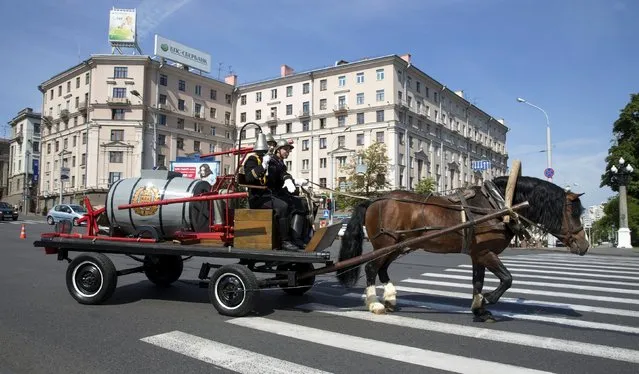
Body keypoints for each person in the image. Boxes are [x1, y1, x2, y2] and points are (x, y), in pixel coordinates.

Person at [242, 135, 302, 251]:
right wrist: (262, 166)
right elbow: (249, 178)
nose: (271, 147)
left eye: (273, 145)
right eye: (269, 144)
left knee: (299, 203)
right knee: (283, 207)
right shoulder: (253, 159)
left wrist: (291, 180)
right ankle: (284, 241)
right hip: (258, 198)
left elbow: (281, 173)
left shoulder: (273, 161)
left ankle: (297, 237)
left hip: (270, 196)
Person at [266, 139, 310, 248]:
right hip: (271, 194)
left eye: (288, 150)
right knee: (286, 206)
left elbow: (284, 174)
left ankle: (298, 237)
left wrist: (294, 181)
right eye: (285, 149)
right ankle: (286, 240)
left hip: (279, 194)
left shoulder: (281, 163)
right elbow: (277, 176)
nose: (287, 152)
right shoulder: (272, 161)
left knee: (303, 203)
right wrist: (288, 179)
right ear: (278, 150)